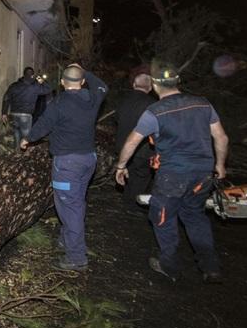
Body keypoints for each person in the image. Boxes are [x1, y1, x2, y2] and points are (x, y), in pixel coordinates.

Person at [115, 64, 229, 283]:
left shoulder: (155, 111)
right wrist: (220, 166)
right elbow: (221, 138)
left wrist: (121, 166)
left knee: (162, 217)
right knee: (194, 215)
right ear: (178, 82)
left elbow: (132, 140)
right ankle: (210, 266)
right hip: (203, 173)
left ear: (156, 85)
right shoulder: (203, 104)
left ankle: (169, 264)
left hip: (173, 175)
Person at [21, 64, 108, 271]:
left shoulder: (59, 104)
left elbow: (42, 126)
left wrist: (27, 139)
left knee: (70, 207)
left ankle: (76, 257)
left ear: (62, 83)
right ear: (83, 82)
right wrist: (83, 71)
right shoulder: (93, 98)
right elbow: (103, 85)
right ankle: (67, 239)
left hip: (68, 164)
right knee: (76, 201)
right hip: (88, 160)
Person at [115, 70, 157, 212]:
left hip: (121, 145)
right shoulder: (153, 105)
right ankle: (132, 205)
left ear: (134, 84)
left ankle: (127, 200)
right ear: (150, 88)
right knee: (141, 175)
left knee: (127, 170)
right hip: (142, 149)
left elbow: (117, 120)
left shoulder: (123, 100)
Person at [1, 66, 51, 148]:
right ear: (32, 75)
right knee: (25, 138)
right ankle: (23, 155)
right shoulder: (35, 87)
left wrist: (4, 113)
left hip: (13, 115)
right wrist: (42, 81)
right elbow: (48, 89)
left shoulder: (14, 85)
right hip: (26, 116)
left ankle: (17, 152)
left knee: (16, 135)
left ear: (23, 74)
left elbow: (6, 98)